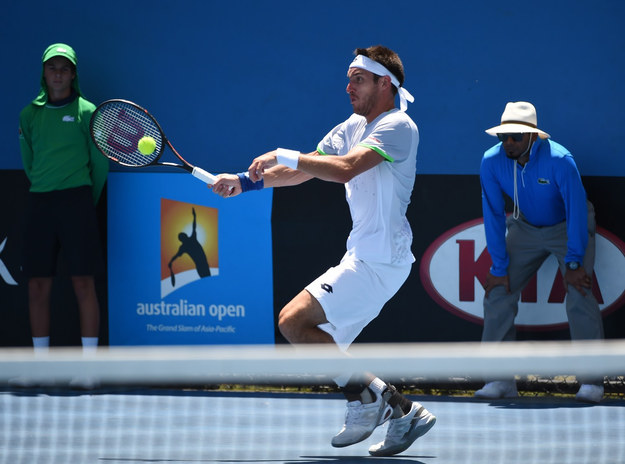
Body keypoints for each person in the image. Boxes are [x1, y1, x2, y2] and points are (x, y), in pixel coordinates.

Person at [210, 45, 436, 456]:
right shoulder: (352, 124)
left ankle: (366, 401)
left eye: (358, 79)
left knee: (293, 321)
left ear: (385, 84)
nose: (348, 86)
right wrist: (244, 181)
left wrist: (281, 151)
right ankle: (402, 412)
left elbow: (346, 167)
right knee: (313, 337)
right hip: (364, 256)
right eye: (349, 77)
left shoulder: (399, 126)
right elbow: (306, 167)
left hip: (381, 259)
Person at [477, 101, 605, 403]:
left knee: (580, 291)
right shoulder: (490, 161)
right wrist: (498, 267)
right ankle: (499, 379)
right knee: (497, 290)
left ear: (533, 135)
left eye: (516, 137)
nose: (508, 143)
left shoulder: (561, 160)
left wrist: (575, 261)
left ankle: (592, 382)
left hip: (568, 226)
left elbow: (576, 210)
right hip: (525, 228)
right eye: (503, 137)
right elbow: (493, 213)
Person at [18, 44, 108, 369]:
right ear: (44, 73)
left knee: (83, 282)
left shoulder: (88, 112)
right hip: (40, 204)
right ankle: (40, 368)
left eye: (64, 68)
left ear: (73, 74)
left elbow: (99, 166)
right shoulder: (29, 114)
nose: (58, 73)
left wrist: (84, 199)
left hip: (77, 202)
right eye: (52, 67)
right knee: (37, 285)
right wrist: (46, 188)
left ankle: (89, 370)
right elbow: (29, 163)